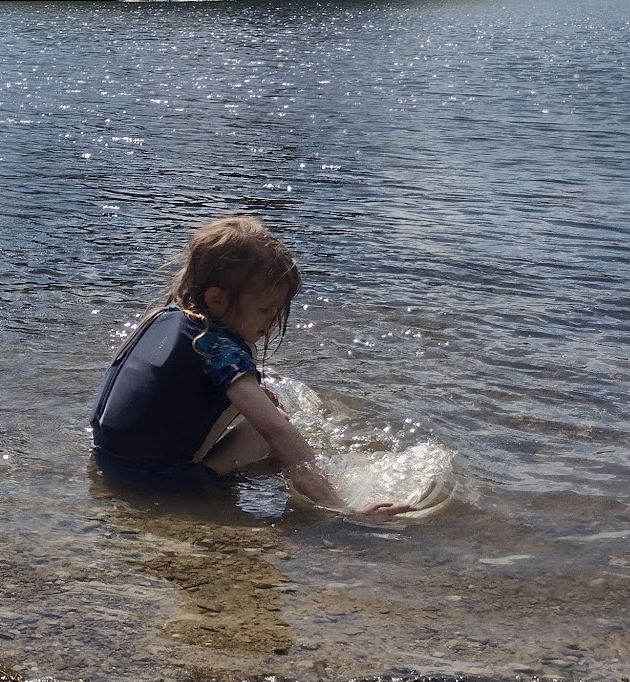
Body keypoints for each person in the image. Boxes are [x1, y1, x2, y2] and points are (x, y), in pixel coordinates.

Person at [88, 215, 404, 513]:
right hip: (163, 485)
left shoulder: (163, 318)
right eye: (266, 310)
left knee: (261, 401)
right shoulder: (218, 350)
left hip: (105, 462)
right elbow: (277, 431)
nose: (274, 322)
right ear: (217, 300)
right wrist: (340, 507)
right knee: (274, 418)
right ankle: (268, 484)